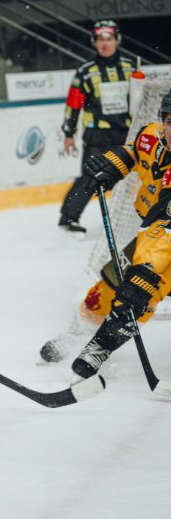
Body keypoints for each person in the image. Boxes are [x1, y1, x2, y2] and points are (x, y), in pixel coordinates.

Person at [41, 90, 171, 379]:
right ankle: (76, 336)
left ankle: (100, 346)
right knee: (110, 286)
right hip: (154, 231)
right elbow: (136, 151)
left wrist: (144, 275)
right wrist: (114, 161)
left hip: (165, 237)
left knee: (141, 292)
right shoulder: (152, 136)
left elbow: (164, 236)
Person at [57, 20, 135, 234]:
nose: (105, 43)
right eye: (100, 39)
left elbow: (141, 97)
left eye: (109, 38)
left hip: (126, 133)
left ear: (117, 41)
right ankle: (68, 219)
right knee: (89, 176)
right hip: (97, 134)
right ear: (94, 42)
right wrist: (69, 133)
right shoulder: (85, 72)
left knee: (137, 175)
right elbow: (73, 104)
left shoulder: (131, 68)